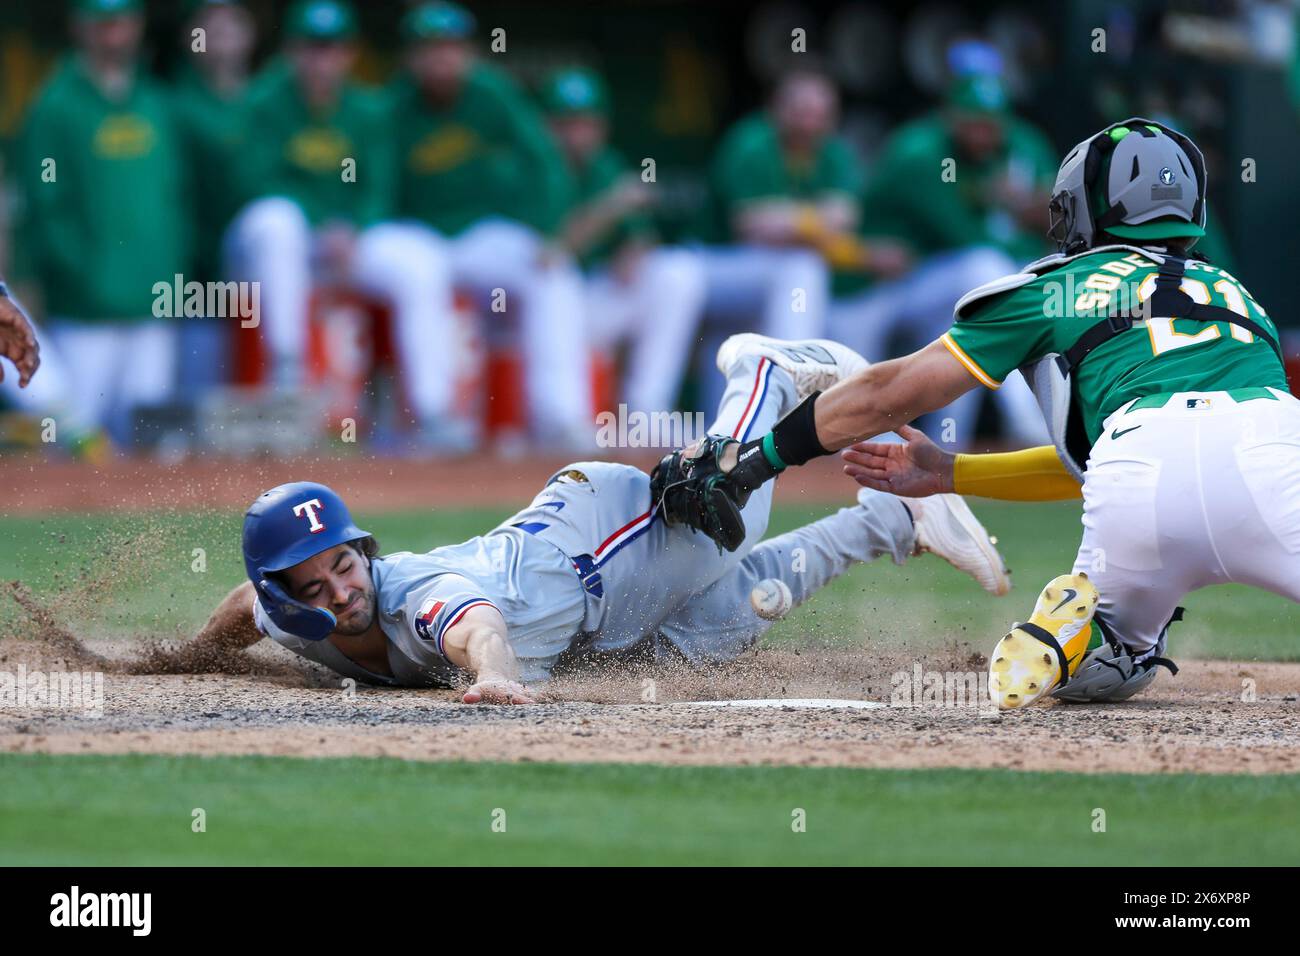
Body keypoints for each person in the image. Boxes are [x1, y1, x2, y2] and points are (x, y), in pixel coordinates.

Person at [656, 118, 1295, 711]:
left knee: (1117, 664)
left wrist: (759, 459)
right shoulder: (1243, 302)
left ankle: (1076, 634)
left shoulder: (1057, 286)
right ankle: (1085, 629)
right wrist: (948, 473)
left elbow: (893, 392)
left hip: (1137, 476)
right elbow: (1169, 445)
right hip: (1275, 453)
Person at [155, 335, 1010, 700]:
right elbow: (243, 606)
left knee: (723, 507)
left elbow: (475, 624)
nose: (343, 584)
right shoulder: (284, 609)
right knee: (727, 622)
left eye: (345, 561)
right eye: (321, 576)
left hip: (595, 542)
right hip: (597, 622)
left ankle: (761, 378)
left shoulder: (404, 592)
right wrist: (191, 658)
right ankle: (889, 522)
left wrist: (492, 675)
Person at [352, 1, 592, 449]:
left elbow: (545, 161)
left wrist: (548, 233)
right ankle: (435, 416)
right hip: (413, 235)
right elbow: (374, 186)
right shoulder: (391, 105)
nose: (443, 57)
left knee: (551, 270)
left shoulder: (491, 93)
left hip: (477, 235)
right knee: (423, 275)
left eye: (452, 47)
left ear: (468, 52)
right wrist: (364, 230)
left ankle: (560, 420)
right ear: (412, 56)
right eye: (431, 48)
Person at [832, 64, 1057, 446]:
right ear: (950, 116)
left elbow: (1058, 219)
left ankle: (948, 445)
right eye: (973, 123)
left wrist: (1034, 213)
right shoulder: (922, 154)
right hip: (865, 293)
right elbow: (967, 236)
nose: (983, 133)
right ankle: (1030, 424)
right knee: (987, 272)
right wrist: (1019, 216)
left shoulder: (1017, 146)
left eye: (991, 123)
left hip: (930, 285)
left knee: (976, 313)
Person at [17, 0, 189, 445]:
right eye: (102, 23)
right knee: (77, 443)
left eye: (121, 22)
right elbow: (42, 205)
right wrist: (69, 274)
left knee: (152, 450)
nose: (113, 34)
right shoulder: (54, 107)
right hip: (85, 310)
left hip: (154, 303)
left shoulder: (156, 101)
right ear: (81, 27)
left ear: (137, 25)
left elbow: (175, 195)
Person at [223, 0, 390, 388]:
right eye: (312, 47)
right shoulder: (262, 101)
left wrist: (355, 228)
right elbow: (255, 183)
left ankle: (432, 413)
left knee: (419, 263)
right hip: (258, 251)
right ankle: (287, 366)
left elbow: (380, 187)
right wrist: (322, 224)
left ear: (350, 53)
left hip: (344, 241)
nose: (322, 59)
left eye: (332, 47)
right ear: (291, 51)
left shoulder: (367, 109)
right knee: (277, 221)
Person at [542, 66, 707, 417]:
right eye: (566, 124)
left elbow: (641, 239)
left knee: (678, 271)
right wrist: (610, 207)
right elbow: (550, 252)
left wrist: (636, 251)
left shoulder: (606, 165)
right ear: (547, 126)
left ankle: (647, 411)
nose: (577, 135)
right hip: (539, 318)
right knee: (555, 277)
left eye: (586, 123)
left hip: (593, 304)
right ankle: (562, 421)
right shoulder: (535, 168)